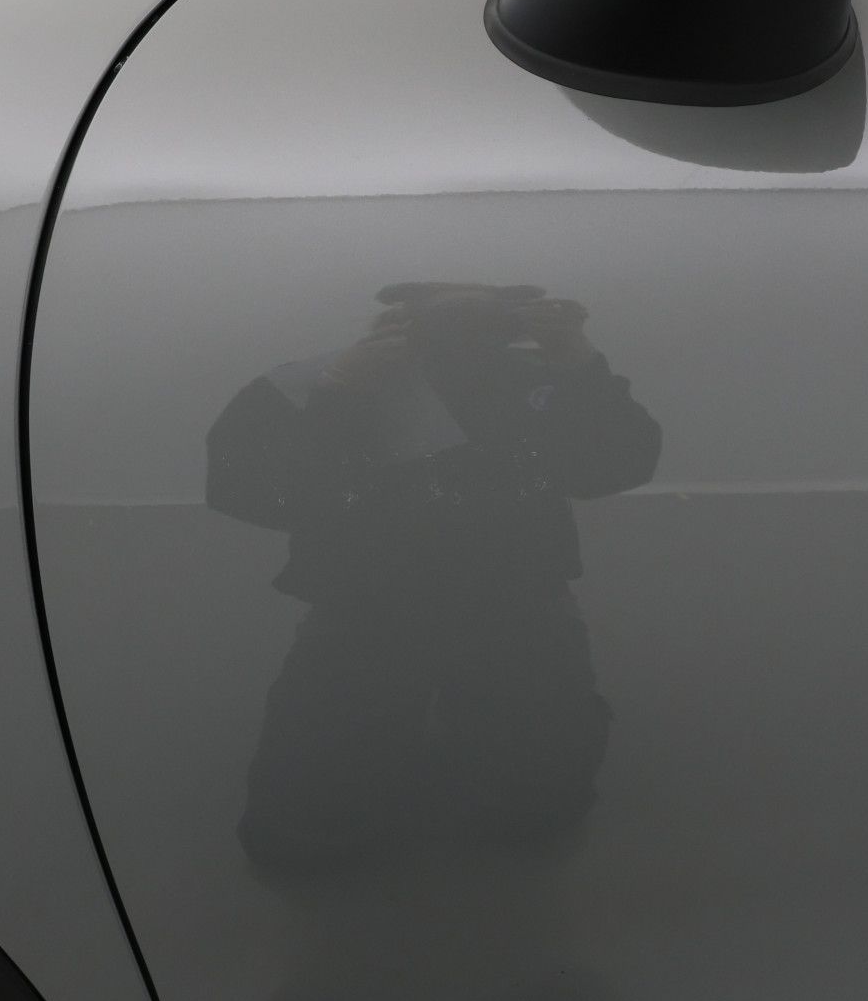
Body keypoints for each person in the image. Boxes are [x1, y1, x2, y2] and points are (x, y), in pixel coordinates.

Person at [206, 281, 662, 878]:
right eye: (443, 310)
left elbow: (618, 464)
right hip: (366, 612)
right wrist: (339, 395)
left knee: (538, 812)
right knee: (299, 831)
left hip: (514, 608)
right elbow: (247, 489)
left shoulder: (539, 384)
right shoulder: (314, 383)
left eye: (478, 311)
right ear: (398, 317)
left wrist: (579, 364)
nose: (458, 326)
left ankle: (450, 772)